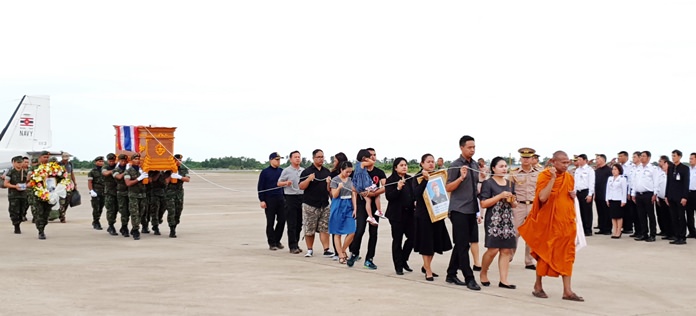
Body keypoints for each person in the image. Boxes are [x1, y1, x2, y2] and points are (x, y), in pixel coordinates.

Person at [519, 150, 583, 302]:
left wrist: (574, 197)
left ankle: (567, 291)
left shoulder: (569, 177)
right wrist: (553, 178)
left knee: (567, 256)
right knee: (544, 253)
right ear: (554, 162)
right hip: (548, 223)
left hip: (566, 223)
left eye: (568, 162)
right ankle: (538, 286)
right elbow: (542, 197)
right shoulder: (545, 175)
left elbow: (567, 197)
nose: (566, 165)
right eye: (563, 162)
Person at [445, 135, 481, 290]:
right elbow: (448, 187)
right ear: (461, 148)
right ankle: (469, 277)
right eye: (469, 147)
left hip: (472, 209)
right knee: (462, 244)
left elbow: (476, 188)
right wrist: (461, 178)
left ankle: (451, 273)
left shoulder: (475, 165)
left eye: (474, 147)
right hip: (459, 209)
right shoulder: (455, 166)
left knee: (464, 243)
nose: (472, 150)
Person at [479, 157, 518, 289]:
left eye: (505, 166)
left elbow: (515, 204)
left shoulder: (510, 183)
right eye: (501, 166)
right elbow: (484, 203)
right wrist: (500, 196)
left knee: (506, 250)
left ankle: (504, 280)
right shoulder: (488, 183)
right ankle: (483, 272)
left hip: (507, 220)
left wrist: (512, 200)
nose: (504, 168)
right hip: (494, 221)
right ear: (493, 168)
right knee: (493, 250)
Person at [413, 154, 452, 281]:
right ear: (422, 163)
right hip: (424, 215)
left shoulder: (437, 176)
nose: (431, 164)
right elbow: (416, 194)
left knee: (434, 243)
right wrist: (424, 180)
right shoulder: (417, 177)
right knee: (426, 243)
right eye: (428, 162)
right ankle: (428, 270)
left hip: (437, 214)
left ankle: (427, 266)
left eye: (432, 161)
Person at [347, 148, 386, 270]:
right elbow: (353, 188)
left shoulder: (379, 172)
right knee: (359, 230)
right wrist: (359, 197)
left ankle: (369, 259)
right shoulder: (358, 170)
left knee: (373, 234)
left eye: (374, 155)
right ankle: (354, 252)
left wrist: (374, 194)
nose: (373, 157)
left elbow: (386, 186)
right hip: (361, 204)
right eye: (370, 155)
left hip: (374, 204)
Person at [510, 147, 540, 270]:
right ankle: (509, 256)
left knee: (531, 234)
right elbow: (510, 189)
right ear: (520, 158)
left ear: (532, 158)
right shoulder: (514, 172)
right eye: (523, 157)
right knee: (515, 232)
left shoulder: (538, 172)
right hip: (519, 205)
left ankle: (529, 261)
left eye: (528, 157)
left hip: (533, 205)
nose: (526, 160)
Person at [298, 149, 332, 258]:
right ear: (313, 158)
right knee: (309, 228)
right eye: (318, 157)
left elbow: (329, 189)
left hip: (324, 204)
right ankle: (309, 249)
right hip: (310, 204)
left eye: (322, 157)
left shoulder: (327, 171)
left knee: (324, 228)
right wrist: (308, 179)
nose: (321, 159)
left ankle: (326, 249)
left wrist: (328, 183)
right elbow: (301, 186)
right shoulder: (307, 171)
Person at [385, 157, 415, 275]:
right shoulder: (391, 180)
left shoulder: (410, 178)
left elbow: (413, 194)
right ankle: (398, 266)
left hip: (409, 214)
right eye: (401, 165)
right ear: (395, 167)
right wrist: (398, 188)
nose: (404, 167)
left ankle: (403, 259)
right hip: (396, 215)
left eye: (405, 165)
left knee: (413, 238)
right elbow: (389, 197)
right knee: (397, 240)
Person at [28, 151, 66, 240]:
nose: (46, 159)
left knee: (46, 213)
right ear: (40, 158)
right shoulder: (35, 168)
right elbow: (29, 180)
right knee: (39, 213)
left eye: (47, 157)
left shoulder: (52, 168)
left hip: (50, 194)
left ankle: (43, 226)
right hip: (38, 194)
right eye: (44, 157)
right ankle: (40, 231)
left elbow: (60, 177)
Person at [329, 161, 357, 264]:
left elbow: (353, 194)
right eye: (347, 172)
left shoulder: (350, 180)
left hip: (348, 205)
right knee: (337, 232)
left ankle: (343, 249)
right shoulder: (335, 180)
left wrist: (355, 208)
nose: (348, 174)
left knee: (352, 231)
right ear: (341, 170)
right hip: (338, 205)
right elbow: (334, 195)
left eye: (350, 172)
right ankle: (340, 255)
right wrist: (339, 187)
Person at [257, 152, 286, 250]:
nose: (278, 161)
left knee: (282, 220)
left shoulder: (282, 171)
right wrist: (262, 200)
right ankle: (271, 243)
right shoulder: (265, 172)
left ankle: (277, 240)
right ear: (271, 160)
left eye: (279, 160)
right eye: (276, 159)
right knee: (270, 222)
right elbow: (260, 187)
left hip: (281, 199)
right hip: (269, 200)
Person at [278, 150, 304, 254]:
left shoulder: (303, 170)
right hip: (290, 197)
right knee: (291, 223)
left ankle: (296, 243)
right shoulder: (286, 171)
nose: (297, 159)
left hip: (301, 196)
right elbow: (279, 183)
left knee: (299, 223)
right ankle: (292, 245)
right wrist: (286, 183)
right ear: (291, 159)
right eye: (295, 157)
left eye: (299, 157)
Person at [631, 151, 659, 242]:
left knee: (650, 215)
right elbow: (635, 182)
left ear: (648, 158)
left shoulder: (653, 168)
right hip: (639, 194)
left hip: (648, 194)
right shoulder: (638, 168)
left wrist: (655, 194)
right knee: (641, 215)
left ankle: (652, 234)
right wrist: (633, 194)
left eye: (643, 156)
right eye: (641, 156)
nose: (641, 158)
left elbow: (656, 182)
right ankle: (644, 234)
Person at [352, 149, 382, 225]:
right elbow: (372, 162)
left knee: (368, 201)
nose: (371, 158)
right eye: (369, 156)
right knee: (377, 193)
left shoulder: (357, 165)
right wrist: (367, 159)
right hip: (364, 185)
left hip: (359, 186)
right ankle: (378, 211)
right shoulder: (362, 164)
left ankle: (370, 216)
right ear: (364, 157)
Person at [666, 150, 690, 245]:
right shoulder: (671, 167)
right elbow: (668, 182)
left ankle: (682, 237)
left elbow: (686, 184)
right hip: (671, 196)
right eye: (672, 156)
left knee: (681, 217)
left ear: (679, 157)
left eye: (675, 156)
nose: (673, 157)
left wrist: (685, 197)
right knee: (674, 217)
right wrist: (666, 195)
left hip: (680, 197)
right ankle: (676, 236)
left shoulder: (684, 168)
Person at [124, 153, 149, 240]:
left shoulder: (143, 170)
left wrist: (146, 176)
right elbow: (128, 183)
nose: (137, 160)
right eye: (135, 159)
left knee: (141, 214)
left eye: (138, 159)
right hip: (133, 195)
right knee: (134, 213)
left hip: (142, 195)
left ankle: (135, 227)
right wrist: (139, 178)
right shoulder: (128, 171)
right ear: (131, 160)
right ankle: (135, 231)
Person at [165, 154, 190, 238]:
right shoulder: (168, 170)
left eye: (180, 160)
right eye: (177, 160)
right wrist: (171, 175)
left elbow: (187, 179)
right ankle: (172, 229)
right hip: (170, 192)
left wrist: (178, 176)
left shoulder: (184, 169)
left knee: (178, 210)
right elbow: (165, 182)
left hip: (179, 192)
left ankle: (175, 224)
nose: (179, 161)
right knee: (171, 211)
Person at [5, 156, 28, 234]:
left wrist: (27, 185)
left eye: (21, 162)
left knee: (22, 211)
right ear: (14, 163)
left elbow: (28, 182)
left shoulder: (24, 172)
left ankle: (20, 221)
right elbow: (6, 184)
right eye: (18, 162)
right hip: (13, 195)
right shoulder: (10, 172)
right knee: (14, 211)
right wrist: (15, 186)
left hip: (23, 195)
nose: (20, 164)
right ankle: (16, 226)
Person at [574, 154, 595, 236]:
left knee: (587, 211)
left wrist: (590, 194)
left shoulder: (590, 170)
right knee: (580, 211)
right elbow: (575, 183)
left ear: (584, 160)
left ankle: (588, 229)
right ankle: (581, 228)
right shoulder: (577, 170)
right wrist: (574, 192)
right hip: (578, 192)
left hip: (586, 192)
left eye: (579, 159)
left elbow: (591, 183)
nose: (578, 161)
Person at [606, 164, 627, 238]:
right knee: (613, 216)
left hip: (618, 199)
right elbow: (607, 189)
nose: (613, 171)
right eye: (613, 169)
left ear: (619, 170)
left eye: (615, 169)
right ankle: (614, 230)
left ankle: (619, 231)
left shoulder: (622, 179)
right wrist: (607, 199)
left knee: (618, 216)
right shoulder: (610, 178)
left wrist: (624, 200)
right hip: (611, 198)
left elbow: (624, 190)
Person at [618, 151, 636, 234]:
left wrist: (629, 192)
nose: (619, 158)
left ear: (626, 157)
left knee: (629, 209)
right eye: (619, 156)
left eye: (621, 156)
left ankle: (629, 227)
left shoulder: (631, 166)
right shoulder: (620, 166)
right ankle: (624, 226)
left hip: (628, 189)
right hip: (620, 190)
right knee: (622, 209)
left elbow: (630, 180)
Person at [112, 154, 131, 237]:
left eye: (125, 161)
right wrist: (126, 171)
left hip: (130, 192)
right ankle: (124, 227)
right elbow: (119, 177)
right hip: (121, 193)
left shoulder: (130, 169)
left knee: (129, 211)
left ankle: (124, 226)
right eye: (121, 161)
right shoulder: (115, 170)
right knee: (123, 211)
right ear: (118, 161)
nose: (123, 162)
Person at [656, 156, 674, 239]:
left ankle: (673, 233)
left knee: (671, 217)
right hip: (661, 198)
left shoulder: (671, 175)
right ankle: (667, 233)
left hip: (669, 199)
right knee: (664, 216)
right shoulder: (661, 174)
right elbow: (658, 186)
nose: (663, 166)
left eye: (665, 165)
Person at [102, 153, 120, 236]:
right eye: (110, 161)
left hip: (119, 192)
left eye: (113, 160)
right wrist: (114, 170)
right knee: (111, 210)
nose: (111, 162)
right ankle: (111, 225)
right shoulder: (105, 167)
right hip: (109, 192)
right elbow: (105, 173)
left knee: (119, 209)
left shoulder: (118, 165)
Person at [594, 154, 612, 235]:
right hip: (598, 194)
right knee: (600, 212)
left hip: (606, 194)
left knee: (606, 212)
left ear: (603, 160)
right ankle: (601, 228)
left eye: (598, 159)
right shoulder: (597, 171)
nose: (596, 160)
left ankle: (608, 229)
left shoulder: (609, 170)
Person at [57, 152, 77, 223]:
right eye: (64, 158)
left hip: (68, 184)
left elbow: (71, 174)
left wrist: (75, 183)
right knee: (61, 200)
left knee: (67, 200)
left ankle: (63, 213)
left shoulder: (70, 164)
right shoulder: (58, 164)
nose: (65, 160)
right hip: (60, 185)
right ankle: (61, 215)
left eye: (67, 158)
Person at [87, 156, 106, 230]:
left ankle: (96, 220)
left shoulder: (105, 171)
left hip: (104, 192)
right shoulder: (92, 172)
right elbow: (90, 182)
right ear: (96, 162)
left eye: (102, 161)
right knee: (96, 208)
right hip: (96, 192)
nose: (101, 163)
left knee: (101, 208)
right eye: (99, 161)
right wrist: (91, 190)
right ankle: (96, 222)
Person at [687, 153, 696, 238]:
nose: (690, 160)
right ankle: (692, 232)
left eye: (692, 158)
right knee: (689, 214)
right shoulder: (688, 169)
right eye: (689, 159)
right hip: (688, 193)